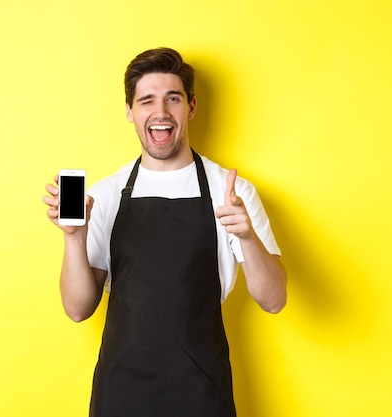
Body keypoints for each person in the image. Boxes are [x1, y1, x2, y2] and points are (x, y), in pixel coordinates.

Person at [43, 47, 287, 417]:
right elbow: (78, 309)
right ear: (130, 111)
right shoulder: (106, 195)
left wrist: (249, 238)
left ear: (190, 107)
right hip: (120, 393)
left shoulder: (231, 191)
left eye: (172, 99)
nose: (160, 113)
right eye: (146, 101)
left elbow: (274, 300)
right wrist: (74, 236)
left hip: (202, 394)